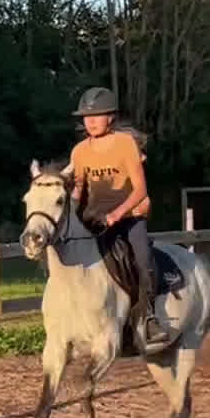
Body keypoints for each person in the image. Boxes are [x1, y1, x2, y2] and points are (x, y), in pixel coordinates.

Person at [68, 86, 169, 352]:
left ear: (110, 117)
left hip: (129, 216)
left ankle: (149, 317)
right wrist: (68, 209)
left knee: (142, 259)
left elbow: (140, 190)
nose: (90, 121)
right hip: (95, 219)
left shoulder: (125, 144)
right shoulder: (79, 151)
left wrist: (117, 214)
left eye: (96, 115)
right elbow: (79, 189)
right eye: (86, 117)